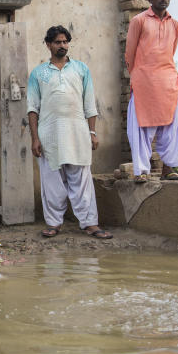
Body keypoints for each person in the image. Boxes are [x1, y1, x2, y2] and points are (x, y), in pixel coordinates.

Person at [27, 25, 112, 239]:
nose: (62, 45)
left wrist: (92, 132)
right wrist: (35, 138)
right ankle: (54, 224)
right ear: (48, 45)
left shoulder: (81, 69)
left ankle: (90, 224)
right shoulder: (38, 73)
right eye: (58, 42)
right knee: (52, 182)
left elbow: (89, 104)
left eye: (65, 42)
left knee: (81, 180)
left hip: (77, 133)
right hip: (49, 135)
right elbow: (32, 108)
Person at [124, 0, 178, 183]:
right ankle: (141, 171)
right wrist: (139, 75)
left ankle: (169, 168)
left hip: (169, 82)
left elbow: (171, 52)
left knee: (171, 126)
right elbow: (129, 53)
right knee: (141, 127)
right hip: (144, 82)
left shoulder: (175, 24)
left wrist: (163, 73)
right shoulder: (139, 21)